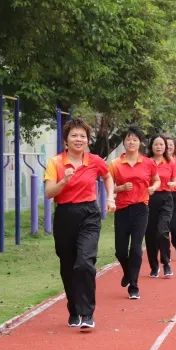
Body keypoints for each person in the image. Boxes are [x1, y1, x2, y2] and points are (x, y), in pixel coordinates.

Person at [44, 118, 115, 331]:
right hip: (65, 215)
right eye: (74, 135)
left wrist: (111, 197)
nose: (78, 139)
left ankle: (87, 313)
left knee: (84, 263)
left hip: (89, 214)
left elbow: (107, 176)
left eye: (82, 136)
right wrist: (64, 181)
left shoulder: (94, 161)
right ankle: (74, 310)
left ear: (87, 140)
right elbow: (48, 193)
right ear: (66, 140)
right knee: (68, 266)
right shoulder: (55, 162)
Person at [110, 126, 160, 299]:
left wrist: (153, 188)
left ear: (140, 142)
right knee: (120, 251)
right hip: (122, 209)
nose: (131, 142)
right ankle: (128, 272)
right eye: (128, 139)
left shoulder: (148, 163)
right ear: (124, 142)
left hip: (141, 208)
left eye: (135, 139)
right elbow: (109, 188)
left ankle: (134, 285)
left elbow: (157, 180)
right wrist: (121, 187)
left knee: (136, 248)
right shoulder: (115, 164)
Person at [146, 134, 175, 278]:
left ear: (165, 147)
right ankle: (153, 265)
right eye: (156, 144)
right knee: (150, 234)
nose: (159, 147)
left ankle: (166, 262)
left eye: (161, 144)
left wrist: (173, 183)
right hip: (149, 200)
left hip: (165, 199)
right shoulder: (146, 162)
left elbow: (175, 180)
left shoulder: (170, 162)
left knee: (162, 231)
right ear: (151, 146)